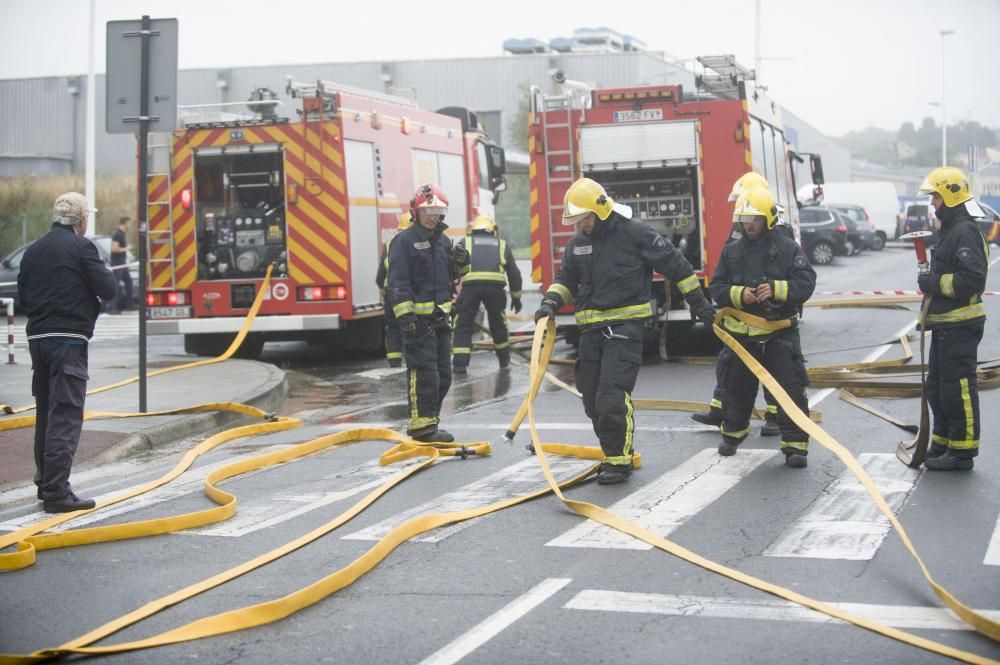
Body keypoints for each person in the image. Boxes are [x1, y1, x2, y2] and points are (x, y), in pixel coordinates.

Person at [534, 178, 715, 485]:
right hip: (590, 332)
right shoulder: (578, 244)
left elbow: (677, 265)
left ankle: (619, 460)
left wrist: (698, 302)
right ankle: (612, 450)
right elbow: (566, 280)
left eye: (586, 218)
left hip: (624, 330)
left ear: (601, 211)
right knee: (591, 398)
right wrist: (550, 302)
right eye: (577, 221)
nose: (582, 226)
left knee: (611, 396)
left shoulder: (636, 234)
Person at [17, 192, 117, 512]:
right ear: (81, 221)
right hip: (69, 341)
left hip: (38, 340)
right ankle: (57, 492)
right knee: (65, 413)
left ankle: (45, 481)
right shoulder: (82, 247)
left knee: (46, 412)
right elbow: (109, 289)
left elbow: (22, 296)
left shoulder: (33, 251)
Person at [709, 185, 816, 468]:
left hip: (778, 335)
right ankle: (732, 434)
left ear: (767, 220)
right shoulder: (731, 251)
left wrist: (777, 290)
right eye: (745, 219)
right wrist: (739, 294)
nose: (749, 225)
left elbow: (806, 282)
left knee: (790, 390)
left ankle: (795, 446)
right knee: (735, 389)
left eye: (754, 219)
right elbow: (716, 286)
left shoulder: (788, 248)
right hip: (742, 338)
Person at [693, 172, 788, 436]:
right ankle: (721, 409)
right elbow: (729, 262)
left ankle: (775, 416)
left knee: (773, 366)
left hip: (768, 315)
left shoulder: (775, 228)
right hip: (740, 315)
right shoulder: (743, 227)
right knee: (730, 363)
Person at [915, 166, 988, 471]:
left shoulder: (964, 231)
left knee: (958, 388)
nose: (932, 202)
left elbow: (972, 281)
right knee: (937, 387)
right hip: (946, 325)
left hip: (960, 324)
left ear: (949, 194)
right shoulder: (950, 230)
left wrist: (933, 283)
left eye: (935, 195)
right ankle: (943, 442)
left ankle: (962, 452)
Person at [387, 184, 459, 443]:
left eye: (438, 210)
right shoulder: (403, 241)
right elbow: (397, 283)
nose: (433, 215)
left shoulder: (443, 242)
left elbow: (450, 280)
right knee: (423, 373)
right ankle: (422, 428)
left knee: (444, 376)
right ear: (415, 212)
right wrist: (406, 318)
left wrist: (460, 264)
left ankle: (431, 420)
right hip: (417, 323)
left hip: (440, 321)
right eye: (427, 210)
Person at [452, 214, 523, 373]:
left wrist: (451, 289)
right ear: (493, 230)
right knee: (498, 323)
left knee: (463, 323)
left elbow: (453, 267)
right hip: (495, 289)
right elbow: (514, 274)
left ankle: (460, 364)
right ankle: (504, 360)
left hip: (470, 288)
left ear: (473, 229)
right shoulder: (502, 244)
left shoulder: (465, 242)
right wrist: (516, 297)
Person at [376, 212, 412, 368]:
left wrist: (383, 288)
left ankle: (394, 361)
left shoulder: (390, 245)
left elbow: (380, 274)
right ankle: (413, 359)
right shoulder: (421, 243)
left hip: (391, 292)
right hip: (412, 292)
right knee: (411, 326)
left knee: (392, 327)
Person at [110, 216, 134, 312]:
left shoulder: (123, 234)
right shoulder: (117, 234)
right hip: (117, 264)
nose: (130, 226)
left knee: (129, 282)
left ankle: (130, 305)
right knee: (115, 285)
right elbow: (114, 249)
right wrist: (126, 249)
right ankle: (112, 307)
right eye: (129, 223)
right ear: (125, 223)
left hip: (122, 264)